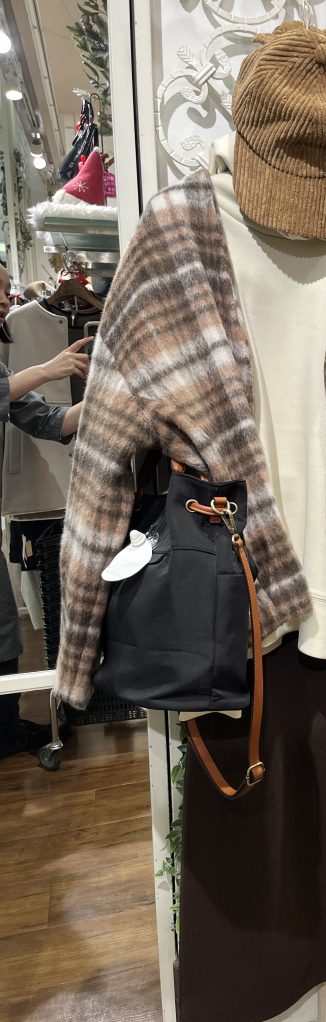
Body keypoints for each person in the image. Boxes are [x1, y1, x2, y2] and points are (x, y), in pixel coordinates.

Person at [0, 265, 90, 758]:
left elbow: (45, 418)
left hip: (69, 491)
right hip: (37, 500)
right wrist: (47, 370)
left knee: (5, 631)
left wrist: (106, 396)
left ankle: (8, 730)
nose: (3, 299)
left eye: (4, 289)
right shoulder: (18, 336)